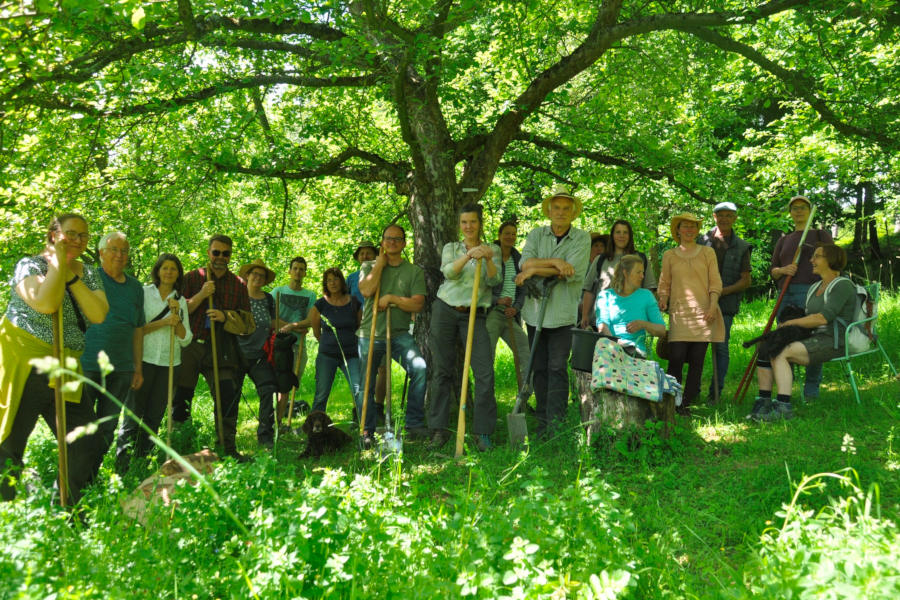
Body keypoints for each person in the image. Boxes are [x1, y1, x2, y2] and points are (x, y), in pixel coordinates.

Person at [0, 213, 108, 503]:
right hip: (26, 359)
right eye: (70, 233)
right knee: (9, 441)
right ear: (53, 234)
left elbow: (98, 314)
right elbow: (46, 303)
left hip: (67, 364)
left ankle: (69, 507)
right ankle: (6, 515)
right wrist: (57, 264)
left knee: (86, 441)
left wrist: (71, 275)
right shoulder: (30, 265)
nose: (78, 240)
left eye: (83, 236)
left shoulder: (88, 272)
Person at [516, 185, 590, 438]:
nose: (560, 212)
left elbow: (572, 272)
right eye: (556, 208)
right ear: (549, 211)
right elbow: (523, 262)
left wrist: (535, 269)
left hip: (562, 314)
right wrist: (556, 262)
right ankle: (543, 420)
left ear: (573, 213)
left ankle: (556, 423)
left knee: (557, 367)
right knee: (539, 367)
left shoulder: (581, 238)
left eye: (566, 209)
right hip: (535, 314)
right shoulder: (536, 234)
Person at [171, 234, 253, 461]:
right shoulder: (191, 278)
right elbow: (176, 311)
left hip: (221, 348)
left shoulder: (238, 285)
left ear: (230, 256)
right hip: (190, 346)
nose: (220, 257)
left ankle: (227, 449)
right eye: (216, 252)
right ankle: (179, 448)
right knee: (181, 397)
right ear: (208, 252)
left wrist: (225, 316)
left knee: (227, 395)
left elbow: (248, 323)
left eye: (225, 253)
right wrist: (201, 295)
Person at [750, 244, 854, 421]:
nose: (811, 260)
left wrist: (790, 322)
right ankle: (764, 402)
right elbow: (807, 317)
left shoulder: (843, 285)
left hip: (834, 341)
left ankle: (783, 407)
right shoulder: (815, 287)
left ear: (830, 260)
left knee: (781, 352)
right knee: (767, 346)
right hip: (814, 337)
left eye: (817, 256)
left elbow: (822, 318)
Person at [428, 204, 502, 451]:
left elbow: (494, 280)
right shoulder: (452, 248)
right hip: (446, 309)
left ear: (480, 223)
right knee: (441, 370)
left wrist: (488, 258)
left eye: (473, 222)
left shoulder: (494, 250)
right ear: (460, 225)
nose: (468, 226)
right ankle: (438, 429)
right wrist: (469, 255)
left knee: (484, 372)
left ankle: (483, 433)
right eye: (464, 223)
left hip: (476, 314)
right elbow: (449, 273)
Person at [115, 253, 191, 473]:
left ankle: (142, 462)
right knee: (132, 414)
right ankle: (122, 465)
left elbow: (186, 339)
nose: (169, 272)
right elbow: (135, 329)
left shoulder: (181, 300)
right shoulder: (144, 294)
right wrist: (164, 322)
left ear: (178, 274)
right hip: (143, 360)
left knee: (154, 416)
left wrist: (176, 320)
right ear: (158, 270)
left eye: (173, 269)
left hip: (169, 364)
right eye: (165, 268)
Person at [357, 224, 429, 448]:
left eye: (397, 239)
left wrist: (391, 298)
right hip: (369, 334)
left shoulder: (413, 271)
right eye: (388, 239)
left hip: (398, 334)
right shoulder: (369, 265)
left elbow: (418, 303)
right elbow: (367, 290)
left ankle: (414, 423)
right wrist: (379, 264)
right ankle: (367, 430)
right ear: (382, 243)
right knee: (365, 383)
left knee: (419, 368)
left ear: (404, 243)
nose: (392, 242)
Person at [81, 232, 145, 480]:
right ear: (101, 253)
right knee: (82, 426)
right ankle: (74, 476)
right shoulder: (87, 279)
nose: (120, 255)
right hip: (86, 364)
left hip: (121, 369)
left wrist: (137, 368)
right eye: (114, 249)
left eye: (125, 250)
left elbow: (138, 330)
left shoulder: (135, 288)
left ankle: (89, 475)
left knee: (107, 427)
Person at [657, 213, 724, 415]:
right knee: (676, 357)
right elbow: (664, 283)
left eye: (693, 226)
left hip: (704, 312)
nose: (689, 230)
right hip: (679, 313)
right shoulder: (669, 255)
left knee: (697, 360)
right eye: (685, 226)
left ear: (697, 230)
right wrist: (662, 298)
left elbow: (715, 282)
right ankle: (671, 400)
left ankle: (686, 403)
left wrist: (713, 306)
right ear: (677, 230)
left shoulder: (707, 253)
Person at [770, 195, 833, 401]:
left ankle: (811, 389)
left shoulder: (819, 235)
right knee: (784, 339)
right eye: (795, 208)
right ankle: (785, 389)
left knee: (812, 340)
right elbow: (773, 271)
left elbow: (834, 261)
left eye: (803, 207)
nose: (799, 211)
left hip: (812, 292)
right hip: (786, 295)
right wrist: (783, 269)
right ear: (790, 212)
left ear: (809, 210)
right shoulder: (784, 239)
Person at [699, 202, 751, 402]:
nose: (725, 219)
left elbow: (746, 280)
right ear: (714, 217)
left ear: (735, 218)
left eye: (729, 215)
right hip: (700, 302)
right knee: (697, 347)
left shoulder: (742, 246)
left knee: (720, 346)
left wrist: (720, 292)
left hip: (726, 305)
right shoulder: (701, 241)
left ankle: (715, 394)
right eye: (721, 215)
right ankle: (692, 391)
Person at [235, 259, 280, 447]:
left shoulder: (268, 299)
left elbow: (273, 322)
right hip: (237, 353)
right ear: (247, 275)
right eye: (254, 274)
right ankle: (226, 438)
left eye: (262, 275)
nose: (257, 278)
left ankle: (265, 435)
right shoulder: (237, 296)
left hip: (261, 354)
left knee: (268, 390)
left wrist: (294, 327)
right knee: (231, 396)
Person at [580, 220, 656, 329]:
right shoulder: (601, 259)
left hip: (631, 322)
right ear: (612, 235)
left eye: (625, 232)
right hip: (601, 321)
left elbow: (649, 290)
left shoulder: (641, 259)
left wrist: (648, 318)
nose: (621, 236)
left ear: (630, 236)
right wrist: (585, 315)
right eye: (618, 232)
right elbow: (589, 290)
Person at [485, 219, 531, 397]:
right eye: (507, 233)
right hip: (493, 313)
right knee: (487, 355)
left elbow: (523, 289)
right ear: (499, 235)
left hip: (511, 315)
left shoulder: (518, 259)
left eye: (513, 234)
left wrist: (516, 308)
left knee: (525, 352)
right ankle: (487, 396)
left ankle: (524, 397)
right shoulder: (490, 256)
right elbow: (481, 288)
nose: (510, 237)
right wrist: (497, 300)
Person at [308, 268, 362, 413]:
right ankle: (315, 426)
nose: (333, 283)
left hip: (351, 355)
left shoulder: (354, 302)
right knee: (321, 394)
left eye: (336, 279)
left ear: (342, 281)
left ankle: (364, 426)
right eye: (329, 280)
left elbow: (360, 326)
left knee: (358, 391)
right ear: (325, 284)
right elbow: (316, 330)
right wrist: (327, 344)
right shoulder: (320, 304)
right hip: (327, 355)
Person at [271, 257, 316, 418]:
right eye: (295, 268)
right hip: (279, 345)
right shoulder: (277, 292)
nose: (298, 272)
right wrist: (293, 326)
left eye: (301, 269)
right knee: (277, 383)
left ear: (305, 273)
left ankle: (282, 419)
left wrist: (291, 326)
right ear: (289, 271)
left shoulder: (310, 295)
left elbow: (311, 320)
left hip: (298, 345)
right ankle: (275, 421)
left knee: (290, 383)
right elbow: (270, 318)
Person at [594, 255, 666, 357]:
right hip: (610, 349)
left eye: (643, 272)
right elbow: (603, 326)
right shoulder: (605, 296)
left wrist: (643, 324)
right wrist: (615, 345)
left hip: (635, 352)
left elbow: (661, 330)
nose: (642, 276)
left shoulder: (646, 296)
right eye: (638, 272)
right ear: (625, 273)